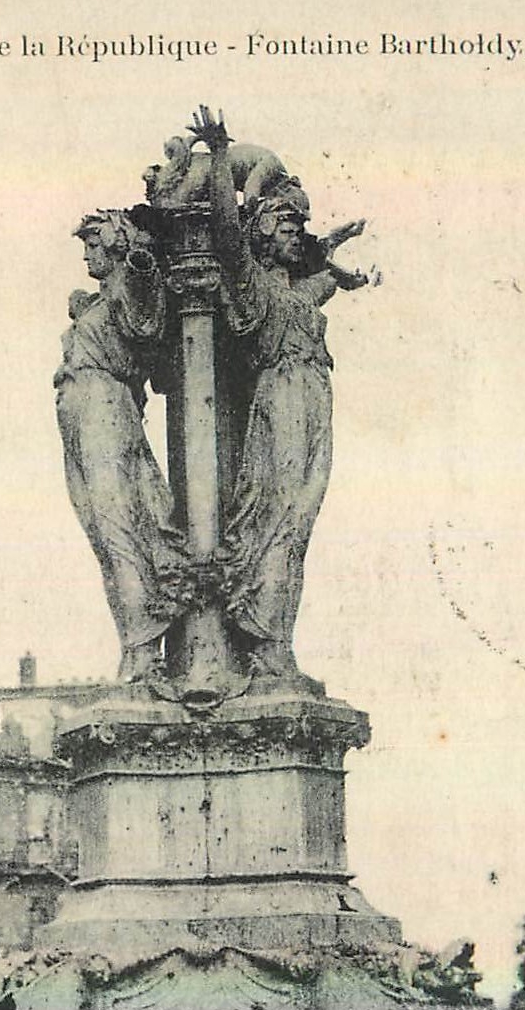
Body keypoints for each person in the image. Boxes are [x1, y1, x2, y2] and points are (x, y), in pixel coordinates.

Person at [190, 108, 378, 679]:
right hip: (282, 404)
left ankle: (275, 641)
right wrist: (221, 158)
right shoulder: (249, 284)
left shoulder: (298, 291)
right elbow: (225, 231)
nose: (296, 230)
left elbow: (326, 281)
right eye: (286, 223)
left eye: (301, 225)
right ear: (262, 231)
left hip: (313, 404)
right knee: (276, 521)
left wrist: (340, 264)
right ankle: (264, 641)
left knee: (298, 525)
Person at [54, 209, 187, 683]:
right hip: (82, 415)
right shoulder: (97, 302)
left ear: (114, 248)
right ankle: (135, 644)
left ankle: (145, 649)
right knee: (104, 535)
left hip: (104, 410)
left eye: (94, 244)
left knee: (120, 529)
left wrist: (137, 260)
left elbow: (146, 306)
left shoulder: (128, 290)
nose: (87, 253)